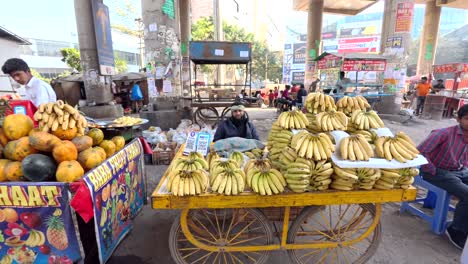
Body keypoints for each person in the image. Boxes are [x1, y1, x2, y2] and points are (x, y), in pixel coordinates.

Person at [418, 104, 468, 250]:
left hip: (458, 171)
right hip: (438, 171)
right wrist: (432, 170)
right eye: (467, 118)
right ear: (459, 119)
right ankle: (456, 229)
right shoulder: (443, 133)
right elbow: (420, 152)